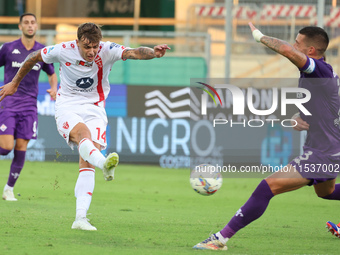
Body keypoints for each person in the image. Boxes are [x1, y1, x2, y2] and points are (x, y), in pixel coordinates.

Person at [0, 22, 170, 230]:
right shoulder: (63, 50)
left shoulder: (107, 49)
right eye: (86, 46)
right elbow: (33, 57)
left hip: (96, 107)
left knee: (87, 162)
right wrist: (15, 83)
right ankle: (105, 163)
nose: (91, 51)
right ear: (78, 41)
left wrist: (153, 52)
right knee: (83, 134)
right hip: (68, 105)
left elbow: (134, 52)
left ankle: (80, 218)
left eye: (95, 46)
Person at [192, 23, 340, 250]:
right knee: (326, 192)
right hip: (328, 149)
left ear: (310, 50)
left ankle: (220, 239)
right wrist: (298, 118)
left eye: (298, 43)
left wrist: (259, 36)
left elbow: (288, 52)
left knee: (267, 187)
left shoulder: (319, 70)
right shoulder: (323, 75)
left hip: (323, 153)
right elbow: (325, 109)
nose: (293, 46)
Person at [0, 13, 58, 201]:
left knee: (22, 145)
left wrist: (54, 88)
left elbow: (51, 73)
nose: (30, 25)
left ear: (37, 26)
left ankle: (9, 189)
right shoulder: (8, 49)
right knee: (7, 147)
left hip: (29, 107)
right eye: (26, 22)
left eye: (33, 22)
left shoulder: (43, 51)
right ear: (20, 26)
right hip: (8, 103)